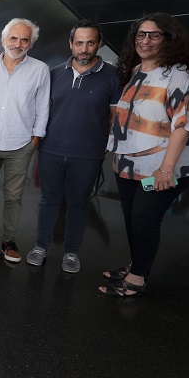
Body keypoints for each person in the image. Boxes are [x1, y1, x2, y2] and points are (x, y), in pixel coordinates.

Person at [99, 14, 189, 298]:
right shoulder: (135, 71)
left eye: (154, 35)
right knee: (133, 216)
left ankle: (137, 279)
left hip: (164, 167)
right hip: (131, 164)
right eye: (141, 35)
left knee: (144, 217)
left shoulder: (178, 74)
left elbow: (184, 124)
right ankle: (138, 265)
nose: (145, 41)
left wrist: (166, 170)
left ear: (168, 39)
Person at [26, 20, 121, 273]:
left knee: (79, 204)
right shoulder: (54, 73)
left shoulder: (112, 77)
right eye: (79, 42)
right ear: (71, 44)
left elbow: (114, 117)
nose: (84, 48)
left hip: (88, 154)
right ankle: (40, 247)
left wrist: (107, 147)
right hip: (51, 149)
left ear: (99, 44)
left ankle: (71, 253)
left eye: (90, 42)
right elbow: (43, 111)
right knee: (48, 200)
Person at [0, 18, 50, 263]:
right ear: (3, 40)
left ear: (31, 44)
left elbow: (43, 106)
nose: (18, 43)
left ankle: (8, 241)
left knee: (14, 196)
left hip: (20, 144)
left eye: (24, 39)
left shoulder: (40, 69)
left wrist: (35, 140)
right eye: (13, 38)